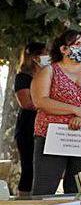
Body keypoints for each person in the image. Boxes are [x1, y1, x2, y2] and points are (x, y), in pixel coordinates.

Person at [30, 30, 81, 194]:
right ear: (64, 49)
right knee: (45, 188)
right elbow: (41, 100)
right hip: (53, 136)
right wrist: (75, 110)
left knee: (78, 189)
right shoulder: (49, 71)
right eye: (77, 44)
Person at [12, 41, 47, 195]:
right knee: (29, 168)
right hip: (27, 127)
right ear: (34, 57)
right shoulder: (22, 77)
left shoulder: (47, 75)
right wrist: (48, 105)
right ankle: (23, 202)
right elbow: (26, 103)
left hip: (45, 127)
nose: (48, 57)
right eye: (44, 53)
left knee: (44, 169)